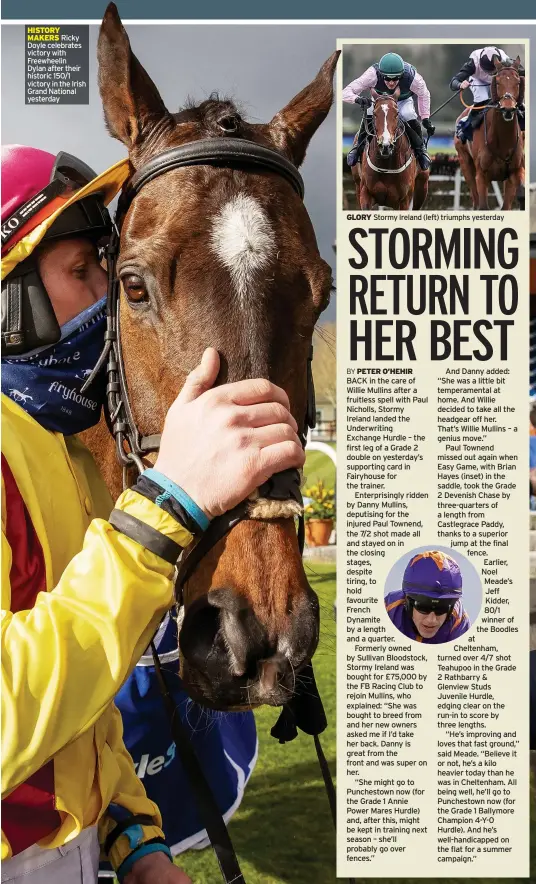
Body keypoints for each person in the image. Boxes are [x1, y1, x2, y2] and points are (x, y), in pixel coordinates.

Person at [1, 145, 305, 883]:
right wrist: (165, 508)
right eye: (83, 273)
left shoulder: (64, 453)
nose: (106, 299)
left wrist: (132, 838)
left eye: (111, 271)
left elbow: (80, 700)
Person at [342, 52, 434, 171]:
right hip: (380, 101)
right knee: (370, 111)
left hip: (402, 101)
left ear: (401, 75)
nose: (391, 82)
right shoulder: (372, 74)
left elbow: (424, 94)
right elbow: (345, 92)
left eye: (395, 78)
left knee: (409, 114)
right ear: (381, 74)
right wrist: (358, 99)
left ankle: (421, 150)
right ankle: (357, 147)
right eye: (387, 78)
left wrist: (425, 118)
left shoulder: (413, 77)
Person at [384, 550, 471, 643]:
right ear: (407, 601)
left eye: (441, 608)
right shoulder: (388, 610)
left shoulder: (459, 622)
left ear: (451, 608)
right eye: (423, 606)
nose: (431, 620)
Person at [450, 46, 526, 144]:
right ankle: (465, 128)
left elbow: (523, 73)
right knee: (482, 101)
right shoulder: (473, 63)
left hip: (500, 80)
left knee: (514, 101)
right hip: (479, 82)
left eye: (492, 71)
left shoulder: (506, 60)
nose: (490, 74)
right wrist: (460, 84)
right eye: (488, 71)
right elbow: (453, 82)